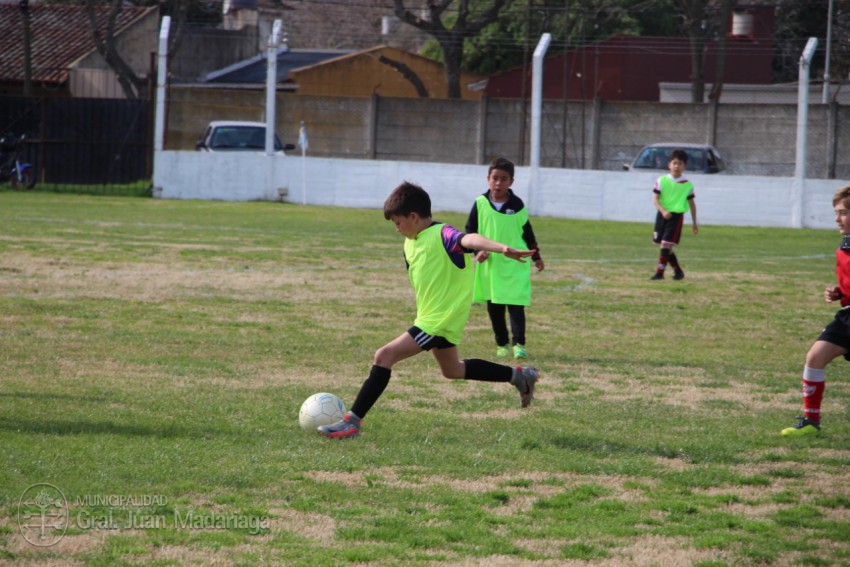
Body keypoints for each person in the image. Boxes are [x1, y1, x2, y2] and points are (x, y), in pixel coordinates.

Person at [318, 181, 540, 439]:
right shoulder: (410, 243)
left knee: (384, 356)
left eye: (398, 223)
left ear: (413, 217)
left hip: (438, 321)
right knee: (452, 370)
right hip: (431, 317)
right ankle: (519, 376)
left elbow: (468, 239)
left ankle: (352, 422)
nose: (397, 229)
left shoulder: (443, 234)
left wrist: (501, 248)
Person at [782, 185, 850, 437]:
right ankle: (811, 420)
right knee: (815, 358)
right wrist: (839, 292)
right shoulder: (844, 246)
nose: (837, 219)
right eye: (836, 213)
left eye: (843, 213)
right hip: (846, 316)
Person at [465, 157, 544, 359]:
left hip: (515, 264)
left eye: (503, 179)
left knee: (516, 305)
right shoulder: (480, 203)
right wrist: (477, 251)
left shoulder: (517, 205)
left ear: (511, 181)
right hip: (491, 265)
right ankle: (502, 344)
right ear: (488, 179)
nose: (498, 183)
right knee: (495, 307)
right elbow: (470, 231)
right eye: (495, 178)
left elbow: (527, 232)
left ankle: (519, 344)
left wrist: (536, 256)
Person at [650, 149, 698, 280]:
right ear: (669, 165)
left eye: (680, 163)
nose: (677, 166)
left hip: (676, 217)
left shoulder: (687, 185)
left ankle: (659, 274)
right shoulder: (661, 180)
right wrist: (663, 211)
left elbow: (692, 205)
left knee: (666, 244)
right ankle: (678, 271)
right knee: (665, 246)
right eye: (674, 163)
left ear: (685, 166)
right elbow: (655, 199)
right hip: (662, 215)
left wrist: (694, 223)